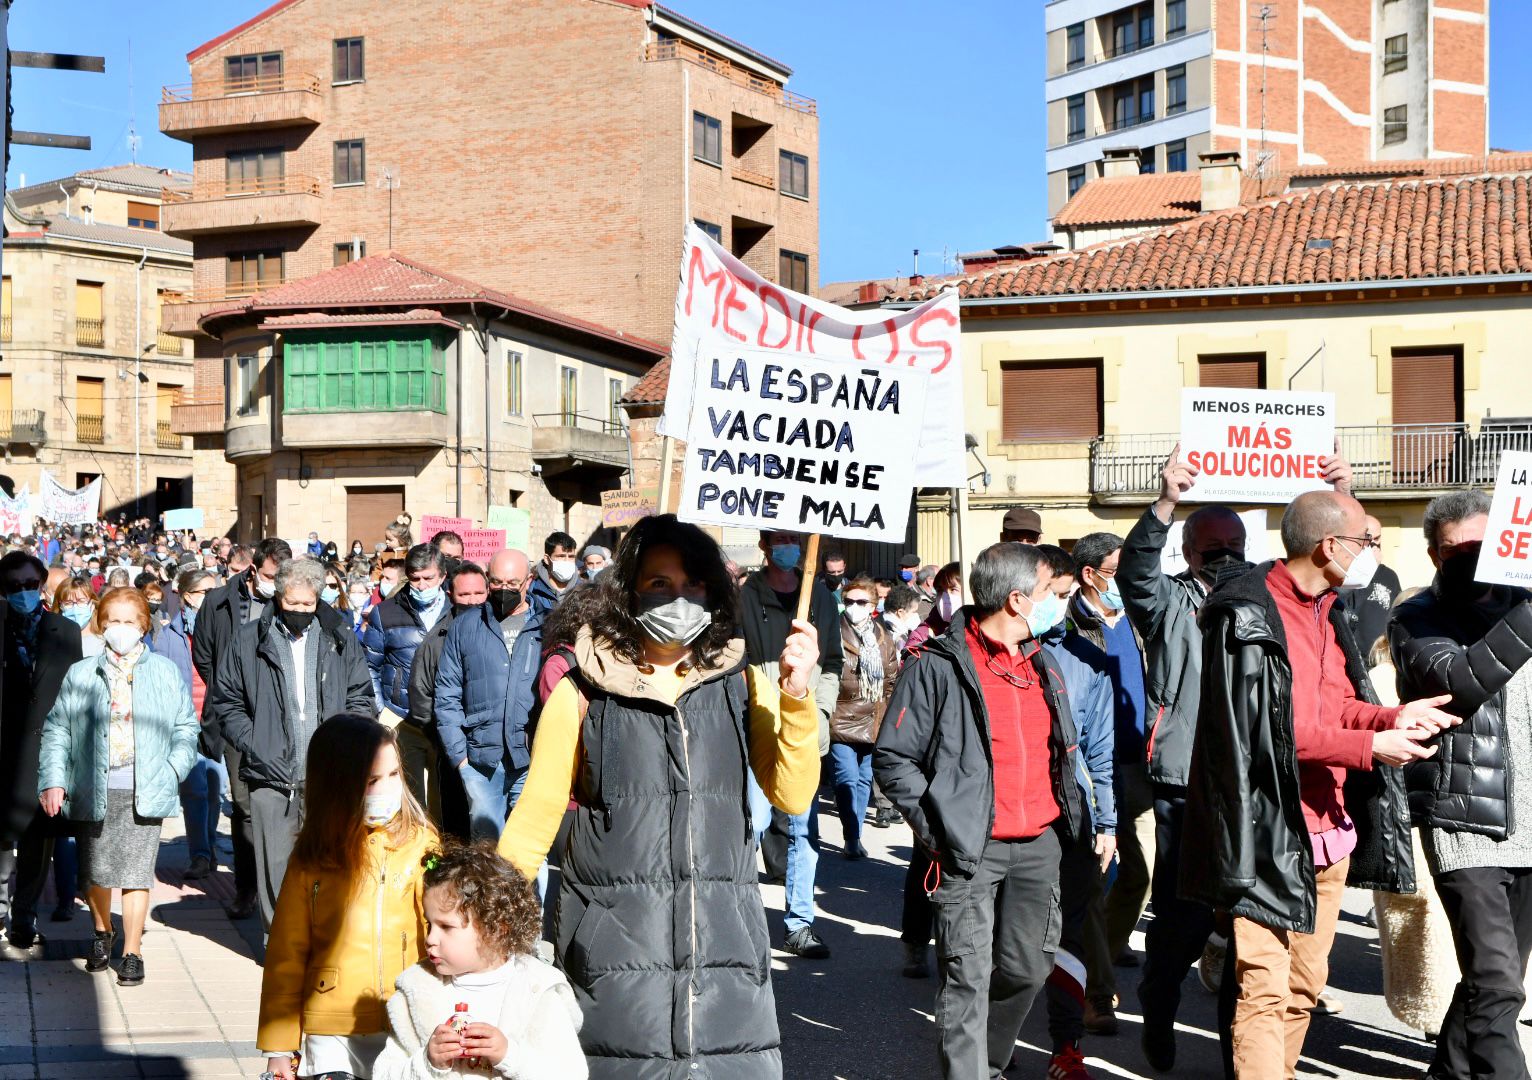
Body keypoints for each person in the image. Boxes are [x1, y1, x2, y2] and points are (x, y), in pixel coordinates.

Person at [497, 514, 821, 1078]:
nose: (680, 598)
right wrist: (485, 918)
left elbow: (792, 796)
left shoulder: (743, 683)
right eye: (659, 584)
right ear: (628, 592)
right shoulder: (580, 691)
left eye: (694, 584)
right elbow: (534, 817)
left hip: (724, 960)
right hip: (615, 962)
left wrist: (795, 695)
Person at [1185, 490, 1455, 1080]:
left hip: (1328, 832)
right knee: (1263, 988)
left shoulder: (1327, 609)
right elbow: (1265, 732)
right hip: (1264, 829)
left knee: (1305, 986)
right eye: (1365, 542)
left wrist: (1392, 718)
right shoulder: (1246, 615)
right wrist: (1370, 747)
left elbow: (1340, 706)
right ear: (1329, 545)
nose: (1372, 553)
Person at [1121, 443, 1352, 1072]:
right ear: (1190, 551)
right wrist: (1166, 501)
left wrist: (1343, 490)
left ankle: (1237, 1061)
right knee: (1185, 923)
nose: (1224, 556)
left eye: (1233, 544)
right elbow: (1133, 574)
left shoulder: (1263, 597)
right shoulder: (1167, 601)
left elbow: (1328, 562)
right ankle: (1159, 1008)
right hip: (1187, 783)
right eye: (1212, 546)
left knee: (1248, 937)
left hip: (1254, 787)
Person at [874, 542, 1083, 1080]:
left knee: (1027, 968)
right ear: (1017, 600)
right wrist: (936, 828)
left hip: (1039, 845)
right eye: (1050, 593)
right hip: (969, 849)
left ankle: (988, 1063)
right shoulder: (938, 666)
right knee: (967, 978)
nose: (1061, 602)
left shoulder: (1045, 661)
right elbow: (894, 759)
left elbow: (1064, 752)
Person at [1389, 489, 1532, 1078]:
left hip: (1529, 820)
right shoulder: (1417, 618)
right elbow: (1459, 682)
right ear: (1432, 555)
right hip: (1463, 819)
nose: (1474, 559)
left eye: (1485, 546)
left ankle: (1447, 1072)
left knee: (1491, 979)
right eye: (1457, 551)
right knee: (1499, 983)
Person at [258, 714, 436, 1080]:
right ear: (339, 786)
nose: (387, 789)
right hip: (331, 1029)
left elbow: (440, 930)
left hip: (403, 1021)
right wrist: (279, 1048)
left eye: (394, 775)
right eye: (372, 780)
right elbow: (286, 955)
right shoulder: (312, 858)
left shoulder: (421, 844)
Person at [38, 586, 198, 985]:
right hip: (94, 784)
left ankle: (131, 950)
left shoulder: (163, 671)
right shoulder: (82, 672)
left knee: (137, 872)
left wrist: (173, 769)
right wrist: (54, 779)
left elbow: (185, 728)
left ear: (144, 625)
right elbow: (57, 729)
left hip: (145, 786)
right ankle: (101, 930)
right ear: (101, 623)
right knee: (96, 870)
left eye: (129, 621)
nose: (121, 629)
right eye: (113, 621)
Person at [210, 558, 376, 930]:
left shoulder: (339, 638)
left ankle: (324, 938)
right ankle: (280, 942)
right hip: (270, 773)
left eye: (308, 604)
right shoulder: (249, 639)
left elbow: (360, 695)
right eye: (292, 604)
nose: (300, 611)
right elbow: (228, 700)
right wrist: (255, 745)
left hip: (328, 775)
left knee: (329, 863)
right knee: (276, 868)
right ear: (278, 597)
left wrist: (349, 742)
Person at [373, 840, 586, 1080]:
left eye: (446, 927)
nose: (431, 939)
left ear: (496, 928)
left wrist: (511, 1057)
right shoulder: (417, 991)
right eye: (429, 924)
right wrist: (427, 1063)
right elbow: (384, 1073)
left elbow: (571, 1073)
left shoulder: (537, 993)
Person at [739, 527, 844, 959]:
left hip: (804, 729)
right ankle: (740, 920)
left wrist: (819, 711)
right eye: (779, 540)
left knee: (803, 832)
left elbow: (833, 660)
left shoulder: (818, 596)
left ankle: (800, 923)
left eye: (794, 540)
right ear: (764, 546)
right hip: (757, 728)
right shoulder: (744, 597)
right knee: (751, 826)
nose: (788, 548)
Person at [1365, 616, 1459, 1042]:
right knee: (1422, 916)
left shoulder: (1457, 666)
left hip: (1451, 810)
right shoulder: (1385, 678)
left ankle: (1447, 1024)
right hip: (1402, 815)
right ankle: (1437, 1023)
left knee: (1446, 920)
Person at [1067, 532, 1153, 988]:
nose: (1126, 583)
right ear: (1090, 574)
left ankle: (1109, 945)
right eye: (1118, 573)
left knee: (1143, 874)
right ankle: (1095, 984)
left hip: (1138, 761)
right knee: (1099, 872)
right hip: (1093, 762)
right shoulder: (1067, 624)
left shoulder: (1137, 618)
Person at [194, 537, 292, 920]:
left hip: (283, 719)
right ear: (253, 570)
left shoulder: (291, 600)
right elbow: (204, 656)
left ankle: (281, 883)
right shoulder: (218, 602)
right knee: (246, 807)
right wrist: (229, 696)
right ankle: (247, 887)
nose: (276, 583)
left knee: (284, 803)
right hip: (236, 720)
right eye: (270, 576)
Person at [0, 552, 83, 950]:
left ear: (42, 585)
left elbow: (75, 698)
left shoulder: (65, 631)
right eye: (13, 587)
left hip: (45, 755)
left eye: (29, 585)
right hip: (4, 755)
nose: (22, 593)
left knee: (38, 845)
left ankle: (23, 921)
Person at [435, 552, 542, 843]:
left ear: (529, 581)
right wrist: (460, 757)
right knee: (486, 852)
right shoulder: (465, 625)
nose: (503, 588)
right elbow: (447, 692)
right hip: (481, 760)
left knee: (528, 850)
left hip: (530, 757)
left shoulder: (547, 626)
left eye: (512, 582)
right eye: (495, 581)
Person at [364, 543, 452, 820]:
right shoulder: (386, 612)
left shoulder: (458, 611)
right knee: (407, 800)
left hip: (445, 719)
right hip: (402, 718)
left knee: (443, 801)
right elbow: (369, 665)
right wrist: (383, 710)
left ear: (442, 577)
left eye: (429, 578)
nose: (422, 585)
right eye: (415, 578)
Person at [407, 561, 489, 841]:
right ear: (451, 595)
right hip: (455, 754)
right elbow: (421, 697)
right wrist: (448, 741)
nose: (472, 600)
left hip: (494, 750)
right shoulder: (436, 640)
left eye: (479, 593)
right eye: (464, 595)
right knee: (457, 828)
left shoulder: (502, 632)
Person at [153, 569, 224, 880]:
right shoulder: (168, 636)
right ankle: (201, 854)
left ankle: (208, 844)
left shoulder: (225, 630)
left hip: (218, 723)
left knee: (215, 790)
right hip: (185, 726)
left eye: (213, 592)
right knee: (194, 791)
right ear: (185, 596)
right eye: (201, 592)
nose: (207, 598)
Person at [829, 577, 899, 860]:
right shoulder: (832, 632)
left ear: (874, 605)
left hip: (873, 719)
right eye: (848, 602)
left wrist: (889, 715)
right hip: (841, 717)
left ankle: (854, 835)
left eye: (861, 602)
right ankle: (851, 836)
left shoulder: (884, 637)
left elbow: (892, 679)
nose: (854, 607)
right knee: (846, 778)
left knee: (863, 780)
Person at [1342, 513, 1404, 656]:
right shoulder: (1346, 575)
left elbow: (1397, 616)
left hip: (1381, 659)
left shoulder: (1389, 576)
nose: (1374, 544)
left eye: (1378, 538)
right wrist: (1366, 570)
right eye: (1369, 539)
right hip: (1354, 658)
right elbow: (1348, 611)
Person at [527, 531, 579, 613]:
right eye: (561, 556)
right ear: (547, 559)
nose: (567, 561)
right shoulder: (532, 589)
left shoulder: (584, 590)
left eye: (571, 557)